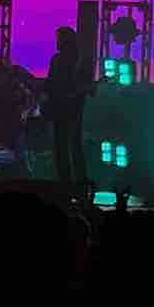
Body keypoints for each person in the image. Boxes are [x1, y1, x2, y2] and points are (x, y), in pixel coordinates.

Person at [43, 25, 92, 188]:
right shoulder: (58, 59)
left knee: (70, 146)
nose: (57, 42)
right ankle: (69, 183)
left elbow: (86, 87)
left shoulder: (80, 60)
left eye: (59, 39)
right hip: (63, 108)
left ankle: (75, 183)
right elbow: (51, 83)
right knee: (64, 147)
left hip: (72, 109)